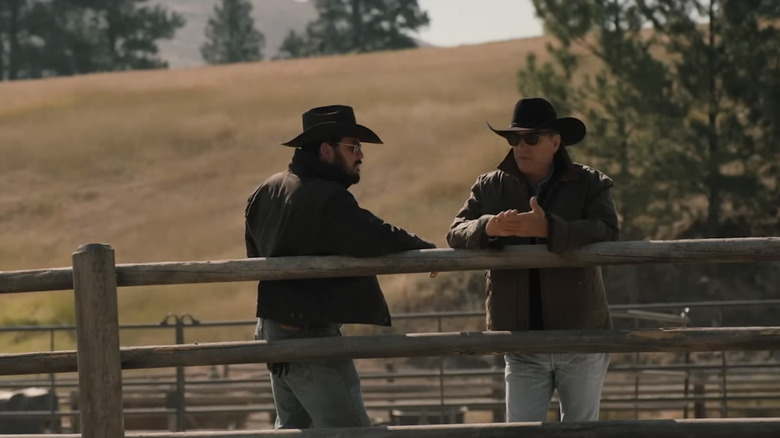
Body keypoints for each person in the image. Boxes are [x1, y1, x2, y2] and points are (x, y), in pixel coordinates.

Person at [244, 104, 435, 429]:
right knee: (351, 430)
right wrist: (421, 247)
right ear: (326, 149)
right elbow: (371, 235)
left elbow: (253, 254)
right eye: (353, 147)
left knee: (294, 430)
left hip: (275, 329)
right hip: (308, 333)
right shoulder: (326, 197)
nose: (360, 155)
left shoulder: (266, 190)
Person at [446, 97, 619, 422]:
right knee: (521, 432)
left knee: (580, 434)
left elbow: (607, 231)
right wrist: (489, 226)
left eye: (531, 138)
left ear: (555, 141)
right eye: (514, 139)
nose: (520, 146)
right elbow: (456, 231)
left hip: (581, 336)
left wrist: (551, 228)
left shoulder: (591, 184)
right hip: (520, 340)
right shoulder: (489, 186)